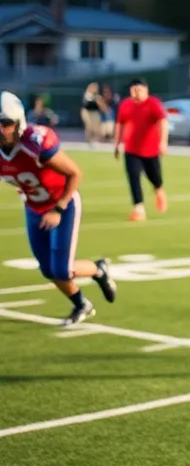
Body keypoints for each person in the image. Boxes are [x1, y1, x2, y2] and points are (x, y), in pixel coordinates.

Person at [0, 91, 117, 325]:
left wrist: (59, 209)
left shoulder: (35, 143)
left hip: (62, 202)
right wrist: (22, 186)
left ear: (18, 122)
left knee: (61, 271)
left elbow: (75, 173)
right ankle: (82, 304)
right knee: (47, 270)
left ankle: (98, 269)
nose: (2, 130)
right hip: (34, 207)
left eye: (6, 123)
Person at [113, 78, 168, 221]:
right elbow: (120, 124)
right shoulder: (125, 105)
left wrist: (163, 142)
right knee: (133, 176)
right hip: (131, 149)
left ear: (145, 90)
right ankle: (139, 207)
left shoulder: (153, 104)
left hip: (150, 149)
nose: (134, 92)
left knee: (154, 176)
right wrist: (116, 144)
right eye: (132, 89)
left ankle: (159, 189)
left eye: (137, 89)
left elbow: (162, 122)